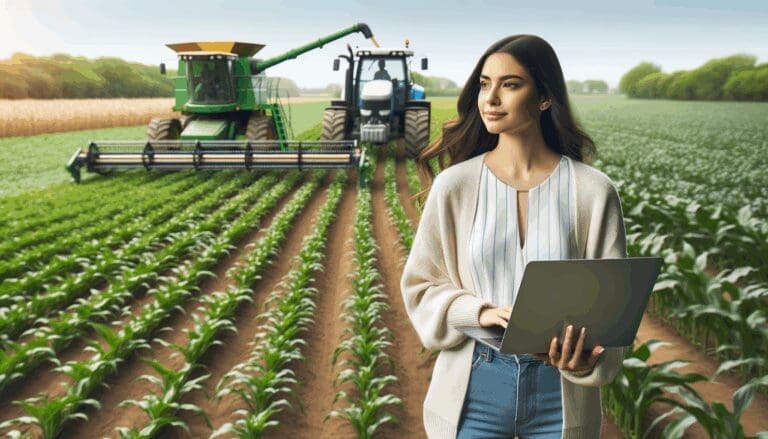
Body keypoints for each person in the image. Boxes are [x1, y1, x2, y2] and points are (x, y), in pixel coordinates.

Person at [400, 34, 628, 439]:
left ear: (544, 98)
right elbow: (420, 287)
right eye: (484, 84)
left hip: (559, 392)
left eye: (510, 84)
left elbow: (612, 309)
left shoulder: (593, 191)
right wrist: (479, 312)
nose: (490, 98)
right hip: (474, 386)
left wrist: (585, 360)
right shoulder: (454, 186)